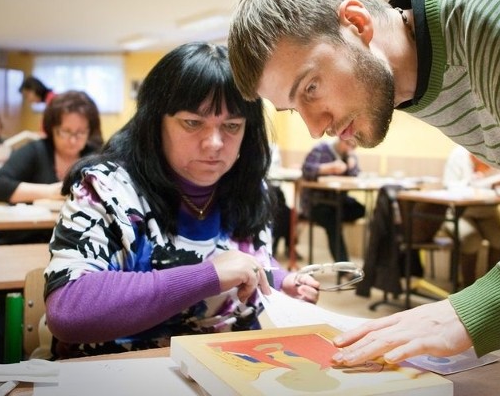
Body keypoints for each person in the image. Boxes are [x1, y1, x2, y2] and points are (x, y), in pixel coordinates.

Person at [227, 0, 500, 380]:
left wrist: (465, 315)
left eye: (310, 88)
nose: (313, 127)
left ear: (357, 24)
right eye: (293, 108)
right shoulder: (418, 71)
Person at [43, 42, 320, 358]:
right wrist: (208, 275)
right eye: (192, 122)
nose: (214, 143)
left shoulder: (248, 187)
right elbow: (69, 310)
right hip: (121, 372)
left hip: (229, 368)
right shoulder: (106, 187)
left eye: (231, 126)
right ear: (156, 122)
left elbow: (249, 256)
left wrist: (280, 279)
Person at [0, 90, 102, 240]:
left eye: (80, 133)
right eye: (65, 132)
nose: (73, 140)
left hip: (77, 240)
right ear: (52, 129)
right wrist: (51, 192)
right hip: (28, 237)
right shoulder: (36, 150)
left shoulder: (95, 156)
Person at [437, 145, 500, 287]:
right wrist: (476, 186)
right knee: (470, 239)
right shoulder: (458, 155)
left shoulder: (497, 154)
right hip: (460, 213)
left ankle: (493, 287)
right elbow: (449, 187)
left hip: (488, 211)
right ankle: (468, 288)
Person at [300, 137, 365, 262]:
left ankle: (335, 219)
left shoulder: (349, 154)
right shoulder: (321, 149)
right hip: (316, 203)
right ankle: (344, 268)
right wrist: (328, 168)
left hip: (337, 202)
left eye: (354, 147)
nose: (350, 148)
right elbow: (306, 170)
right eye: (348, 144)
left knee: (360, 209)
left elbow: (355, 174)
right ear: (341, 139)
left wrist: (352, 160)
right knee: (333, 222)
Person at [268, 144, 293, 259]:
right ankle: (278, 246)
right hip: (264, 190)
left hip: (275, 190)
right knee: (281, 214)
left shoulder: (272, 147)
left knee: (287, 213)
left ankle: (284, 246)